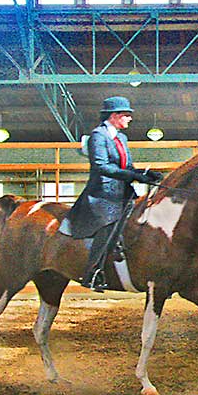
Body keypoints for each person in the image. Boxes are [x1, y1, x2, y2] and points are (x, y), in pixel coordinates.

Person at [58, 96, 162, 291]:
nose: (129, 119)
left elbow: (127, 166)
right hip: (102, 193)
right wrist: (133, 176)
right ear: (114, 116)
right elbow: (101, 166)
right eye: (126, 115)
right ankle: (93, 271)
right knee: (110, 223)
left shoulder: (121, 138)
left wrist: (144, 174)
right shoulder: (98, 136)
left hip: (122, 191)